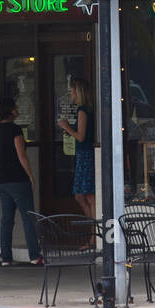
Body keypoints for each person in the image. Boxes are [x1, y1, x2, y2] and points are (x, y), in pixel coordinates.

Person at [0, 96, 42, 266]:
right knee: (28, 217)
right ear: (11, 111)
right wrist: (31, 176)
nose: (17, 109)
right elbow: (22, 155)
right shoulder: (16, 130)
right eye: (15, 107)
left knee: (6, 218)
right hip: (17, 179)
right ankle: (34, 255)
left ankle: (5, 256)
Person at [58, 76, 96, 219]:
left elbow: (80, 136)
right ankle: (92, 228)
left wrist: (66, 126)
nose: (71, 95)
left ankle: (94, 233)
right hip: (83, 154)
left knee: (88, 196)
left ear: (79, 93)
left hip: (85, 154)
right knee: (80, 195)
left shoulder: (82, 110)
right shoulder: (86, 110)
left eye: (73, 92)